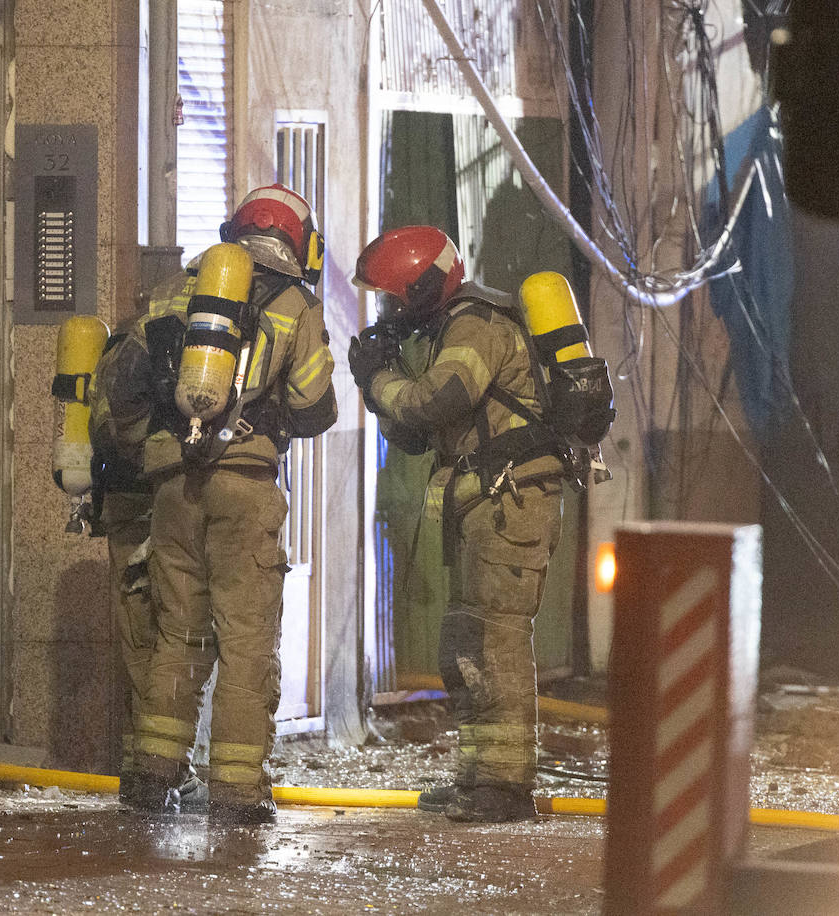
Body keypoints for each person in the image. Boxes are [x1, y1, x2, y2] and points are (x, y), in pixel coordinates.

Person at [121, 184, 338, 824]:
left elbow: (128, 384)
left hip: (170, 487)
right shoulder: (295, 302)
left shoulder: (175, 290)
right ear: (297, 243)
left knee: (176, 634)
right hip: (244, 484)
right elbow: (311, 405)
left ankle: (152, 776)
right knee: (246, 642)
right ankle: (238, 791)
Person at [348, 226, 568, 823]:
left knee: (495, 642)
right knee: (467, 642)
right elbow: (420, 433)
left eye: (393, 298)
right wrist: (383, 381)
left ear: (422, 291)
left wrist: (378, 379)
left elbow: (435, 402)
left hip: (511, 503)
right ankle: (479, 776)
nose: (388, 310)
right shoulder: (450, 327)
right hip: (486, 504)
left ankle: (505, 786)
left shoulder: (475, 324)